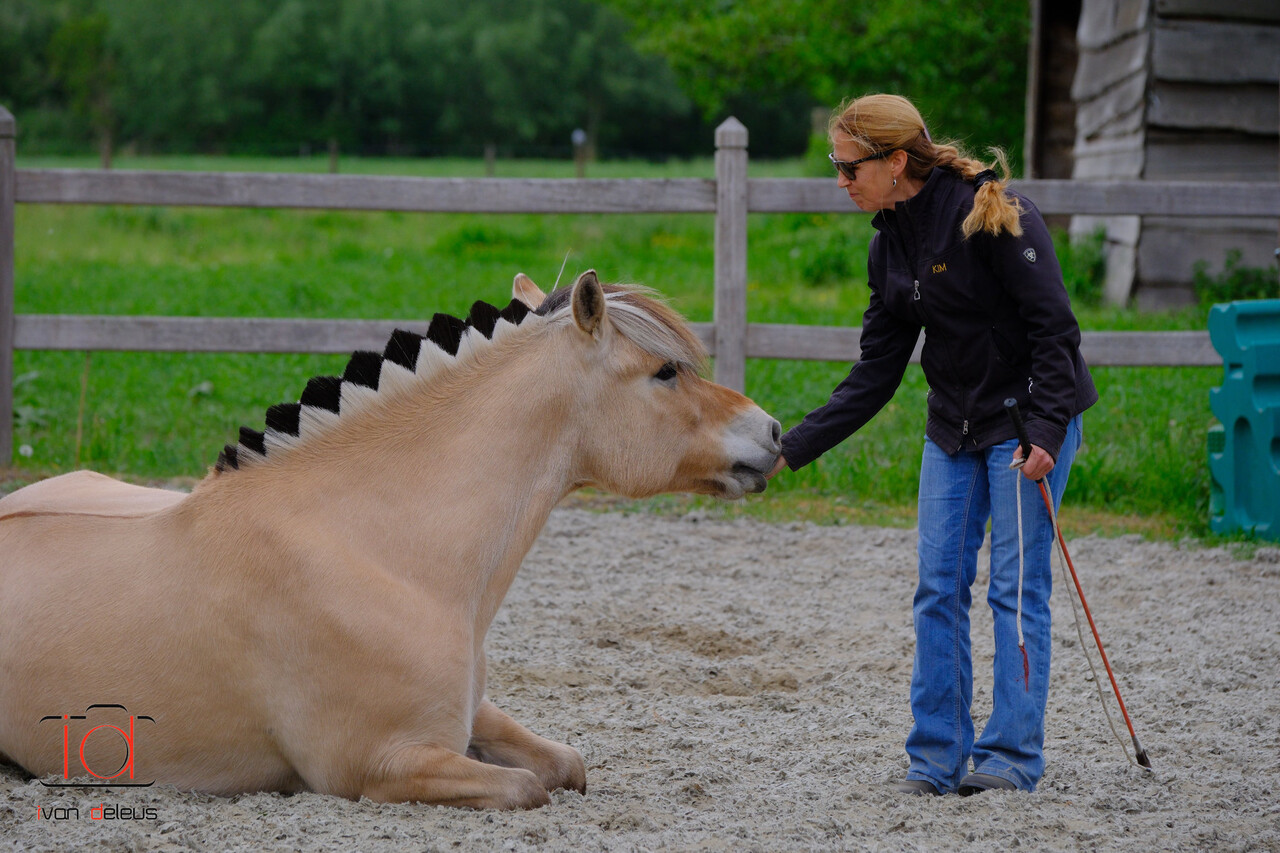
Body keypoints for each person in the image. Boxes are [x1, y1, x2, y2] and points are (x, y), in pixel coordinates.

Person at [767, 93, 1097, 796]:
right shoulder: (889, 242)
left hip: (1026, 423)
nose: (840, 182)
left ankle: (1010, 755)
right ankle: (937, 757)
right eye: (837, 166)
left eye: (849, 167)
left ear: (894, 161)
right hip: (952, 427)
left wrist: (1045, 430)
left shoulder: (994, 214)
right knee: (937, 589)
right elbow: (875, 373)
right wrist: (789, 449)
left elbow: (1056, 333)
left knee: (1014, 590)